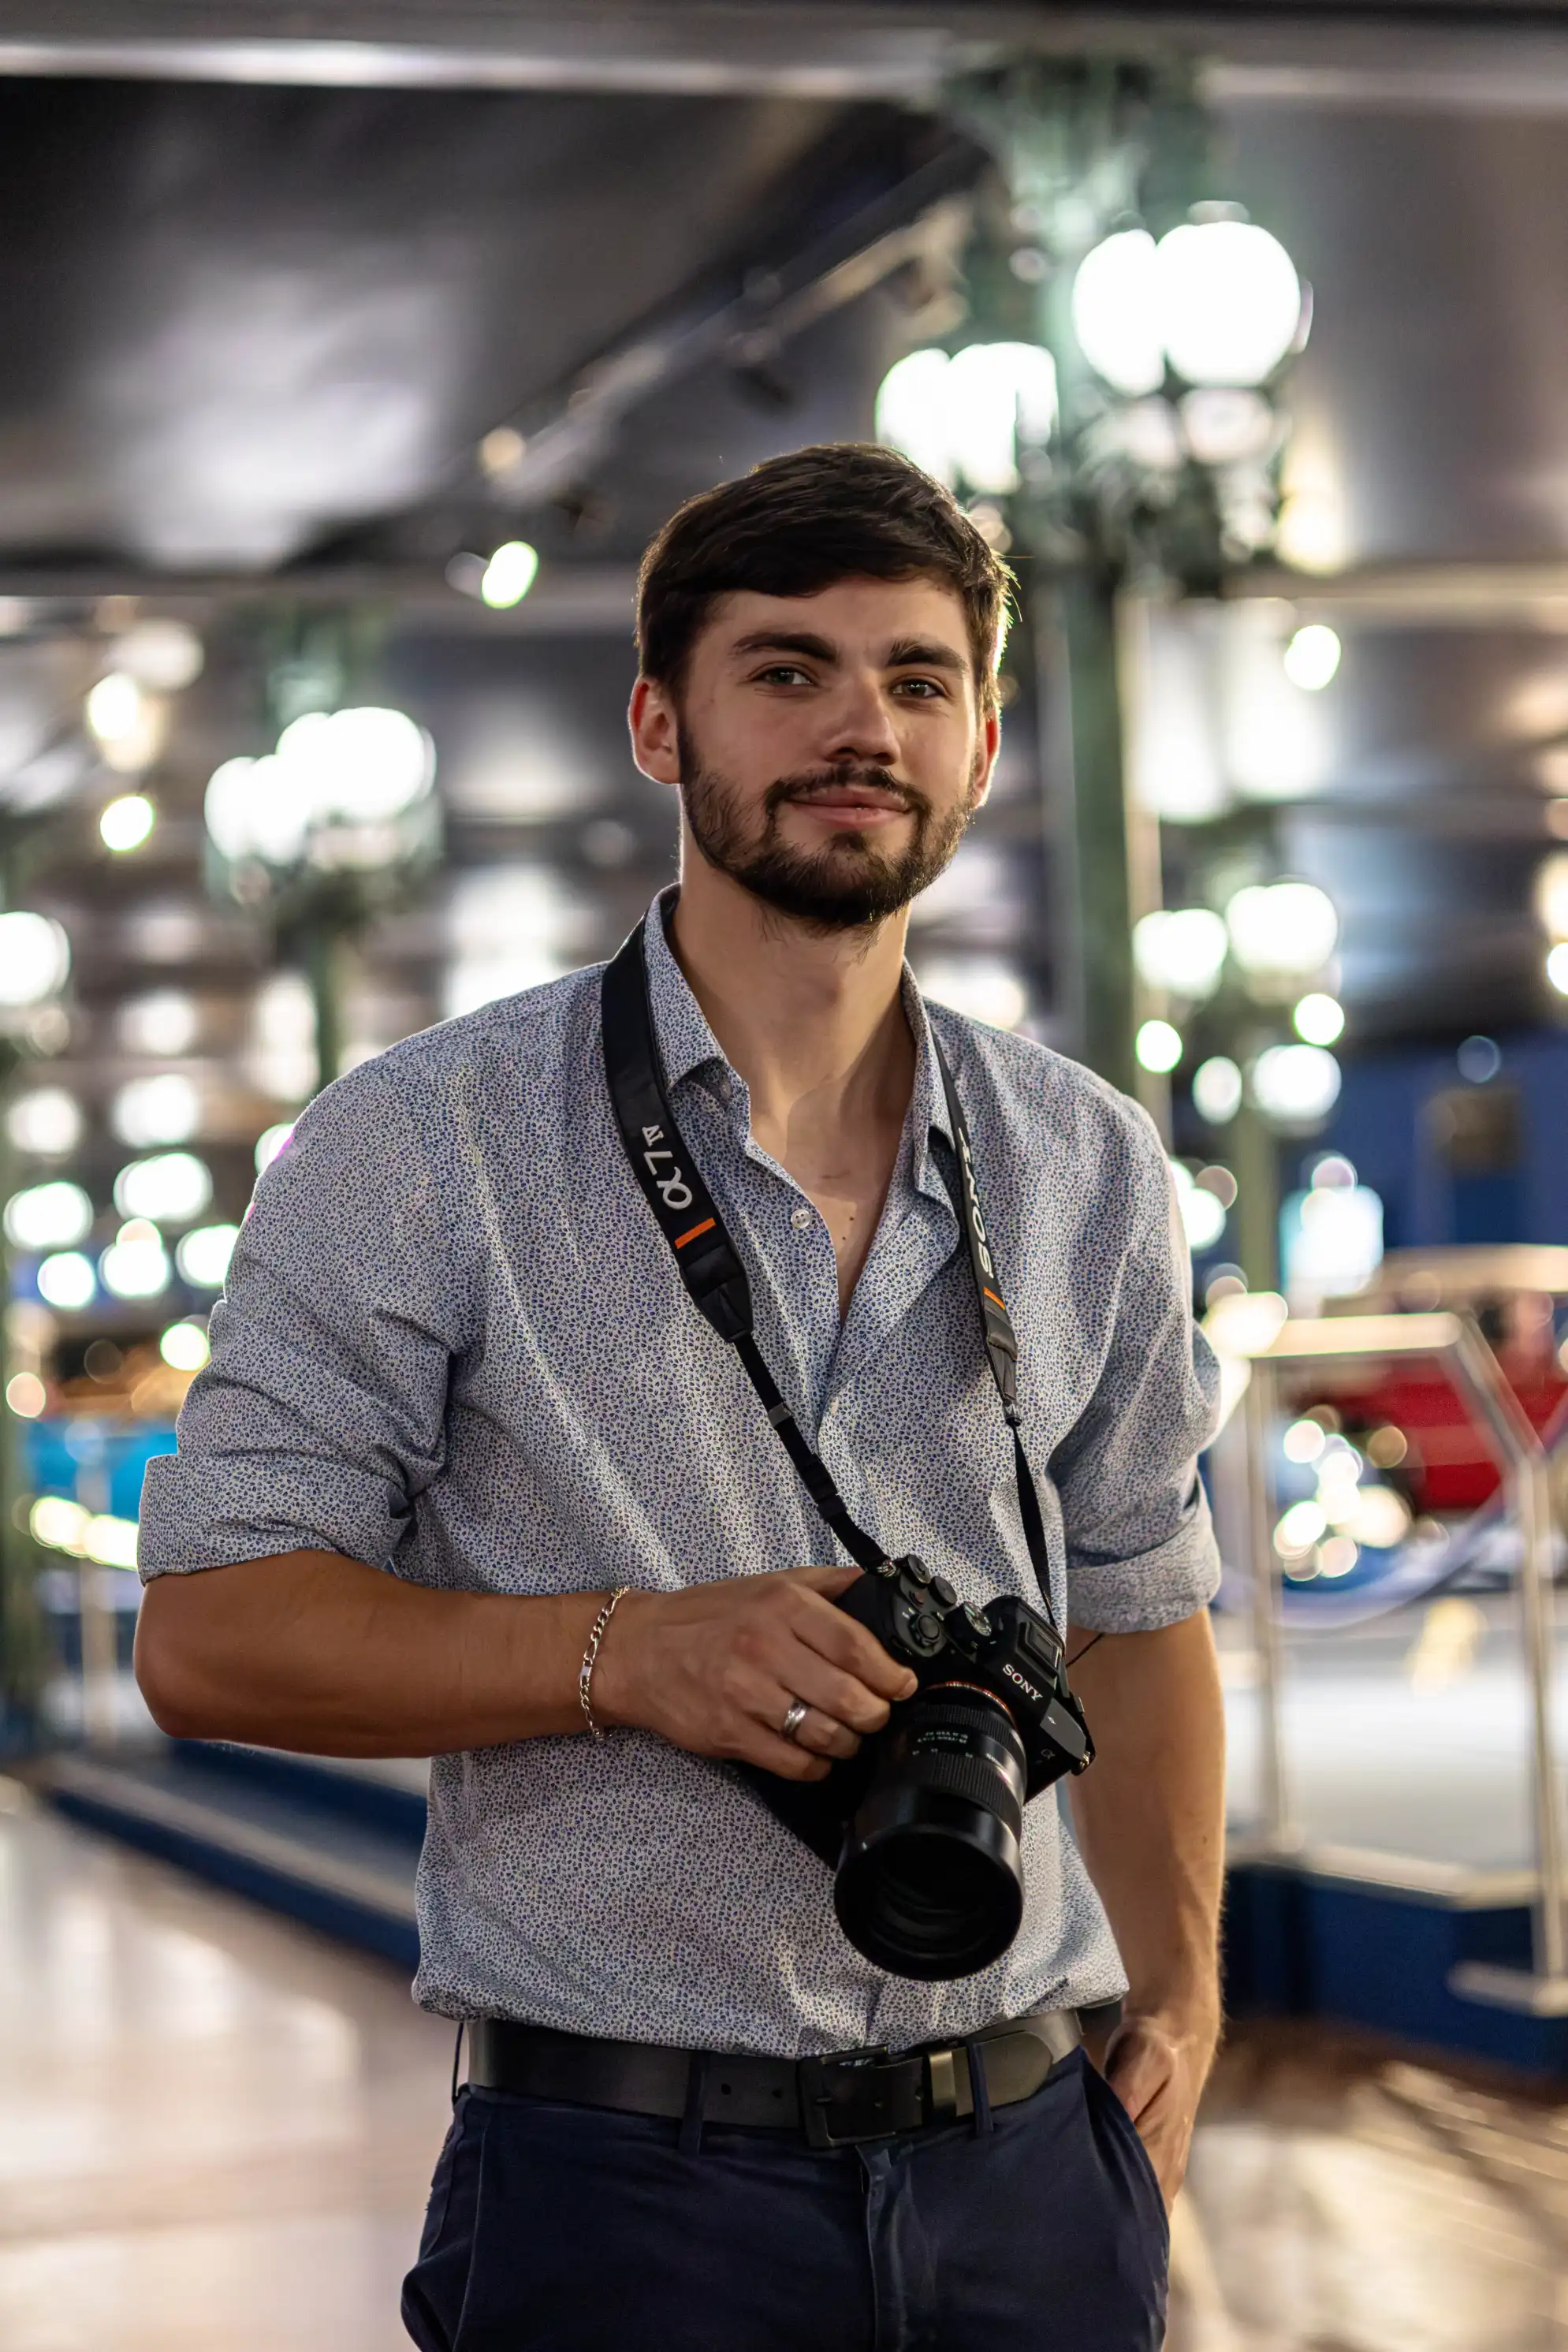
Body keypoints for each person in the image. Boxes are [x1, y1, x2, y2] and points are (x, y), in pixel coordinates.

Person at [135, 442, 1226, 2352]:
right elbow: (211, 1635)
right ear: (659, 724)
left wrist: (1187, 1997)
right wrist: (625, 1653)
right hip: (625, 2182)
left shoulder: (1084, 1163)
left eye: (916, 679)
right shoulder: (422, 1144)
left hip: (1030, 2170)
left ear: (980, 745)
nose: (860, 728)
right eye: (786, 671)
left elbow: (1136, 1608)